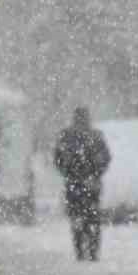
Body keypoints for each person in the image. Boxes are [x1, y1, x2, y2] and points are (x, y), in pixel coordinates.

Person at [53, 106, 111, 261]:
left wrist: (68, 173)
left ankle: (81, 249)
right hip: (90, 183)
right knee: (91, 217)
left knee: (77, 217)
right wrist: (96, 174)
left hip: (75, 183)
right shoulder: (95, 136)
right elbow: (106, 158)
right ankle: (92, 250)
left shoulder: (66, 136)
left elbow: (57, 159)